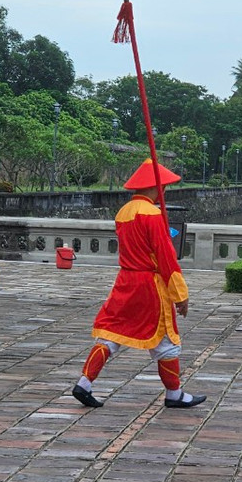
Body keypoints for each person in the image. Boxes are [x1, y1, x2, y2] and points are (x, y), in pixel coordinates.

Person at [71, 159, 206, 410]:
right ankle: (174, 393)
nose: (164, 190)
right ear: (155, 187)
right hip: (149, 285)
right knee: (166, 340)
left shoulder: (123, 212)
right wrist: (180, 295)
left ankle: (84, 383)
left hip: (125, 281)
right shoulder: (152, 214)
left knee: (111, 333)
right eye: (163, 186)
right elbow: (166, 259)